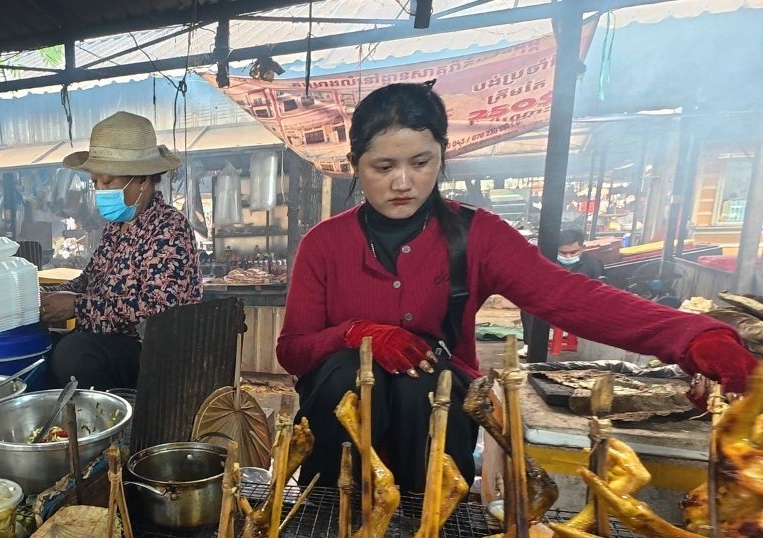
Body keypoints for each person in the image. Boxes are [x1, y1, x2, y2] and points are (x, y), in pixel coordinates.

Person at [277, 82, 755, 493]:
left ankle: (429, 529)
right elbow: (294, 352)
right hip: (339, 434)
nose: (403, 182)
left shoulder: (476, 235)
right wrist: (358, 334)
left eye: (421, 162)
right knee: (345, 374)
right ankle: (325, 515)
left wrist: (692, 336)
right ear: (354, 164)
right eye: (383, 167)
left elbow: (568, 296)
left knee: (423, 386)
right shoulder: (324, 244)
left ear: (442, 155)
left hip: (435, 419)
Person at [39, 111, 202, 390]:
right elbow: (89, 280)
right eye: (95, 183)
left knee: (73, 354)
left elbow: (157, 307)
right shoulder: (117, 227)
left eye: (108, 182)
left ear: (142, 179)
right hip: (105, 342)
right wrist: (46, 296)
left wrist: (77, 305)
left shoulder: (169, 228)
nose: (100, 190)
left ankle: (116, 426)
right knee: (44, 349)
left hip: (153, 353)